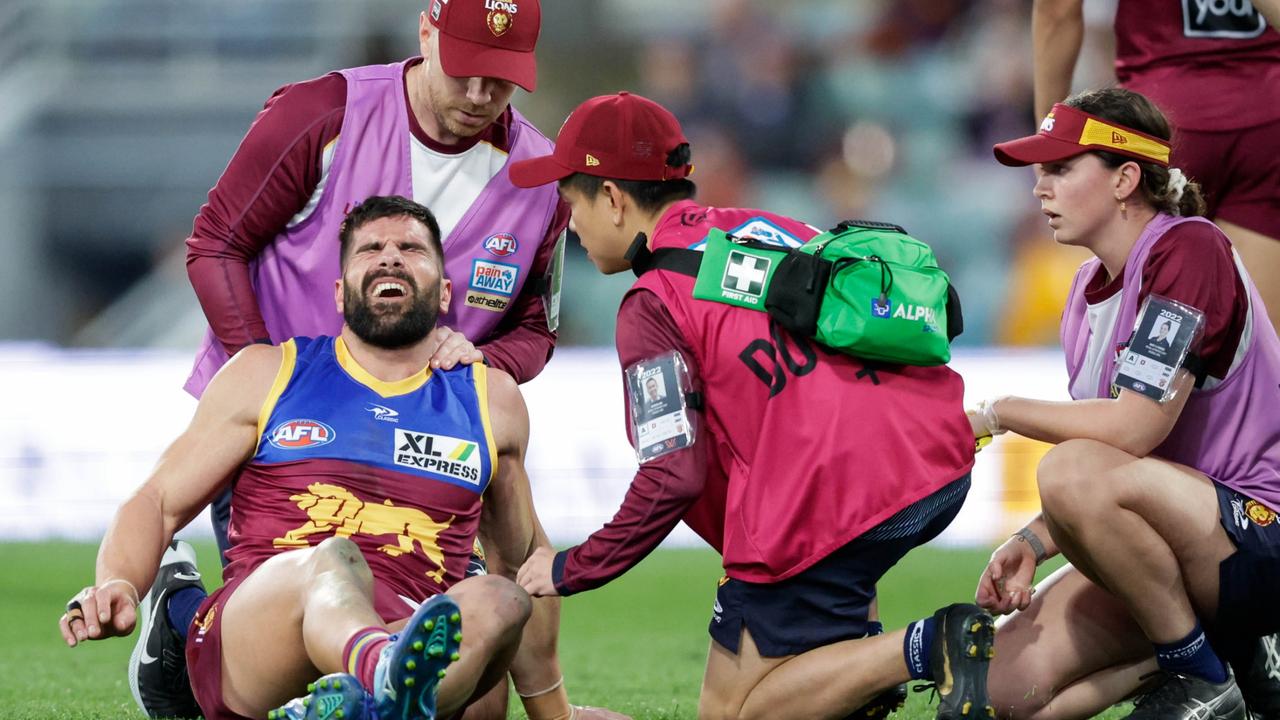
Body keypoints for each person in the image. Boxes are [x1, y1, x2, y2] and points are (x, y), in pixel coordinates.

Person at [506, 92, 995, 720]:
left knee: (737, 713)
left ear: (613, 199)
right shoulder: (769, 226)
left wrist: (574, 566)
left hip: (829, 499)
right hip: (934, 458)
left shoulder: (652, 305)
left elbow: (672, 474)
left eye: (571, 202)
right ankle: (859, 674)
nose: (569, 224)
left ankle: (929, 647)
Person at [63, 197, 618, 720]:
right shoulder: (269, 372)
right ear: (339, 291)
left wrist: (557, 713)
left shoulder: (489, 399)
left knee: (501, 597)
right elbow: (157, 500)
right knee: (332, 560)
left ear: (446, 293)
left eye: (412, 249)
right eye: (371, 250)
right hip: (269, 630)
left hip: (409, 619)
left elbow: (523, 561)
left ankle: (365, 702)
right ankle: (383, 680)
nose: (391, 258)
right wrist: (116, 583)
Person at [185, 0, 568, 565]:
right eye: (466, 69)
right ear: (426, 32)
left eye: (503, 79)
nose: (480, 95)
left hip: (428, 453)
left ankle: (177, 610)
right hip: (279, 439)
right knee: (292, 634)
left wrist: (487, 360)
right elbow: (217, 243)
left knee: (446, 640)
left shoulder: (540, 178)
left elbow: (536, 329)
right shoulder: (324, 114)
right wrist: (266, 381)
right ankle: (178, 611)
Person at [973, 88, 1280, 720]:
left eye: (1060, 169)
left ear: (1126, 178)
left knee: (1066, 466)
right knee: (1004, 694)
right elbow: (1120, 470)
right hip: (1186, 540)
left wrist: (996, 413)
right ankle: (1223, 664)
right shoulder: (1085, 289)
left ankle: (1199, 676)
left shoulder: (1189, 249)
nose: (1040, 189)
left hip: (1261, 534)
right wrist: (1034, 539)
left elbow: (1134, 429)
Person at [1032, 0, 1280, 341]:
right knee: (1256, 347)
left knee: (1145, 356)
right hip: (1268, 119)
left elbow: (1056, 10)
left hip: (1160, 123)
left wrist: (1050, 136)